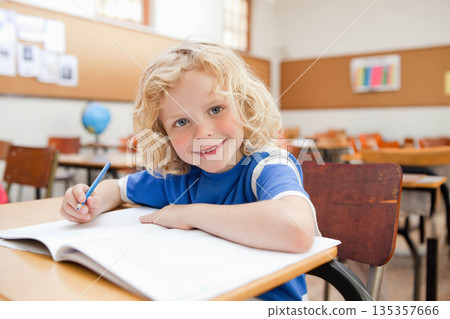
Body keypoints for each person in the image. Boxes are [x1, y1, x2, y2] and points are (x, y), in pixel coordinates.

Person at [60, 42, 320, 301]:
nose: (203, 132)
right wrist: (91, 201)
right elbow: (118, 189)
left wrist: (190, 214)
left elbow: (296, 229)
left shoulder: (269, 165)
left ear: (245, 107)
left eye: (216, 109)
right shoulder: (179, 174)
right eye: (181, 122)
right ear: (164, 136)